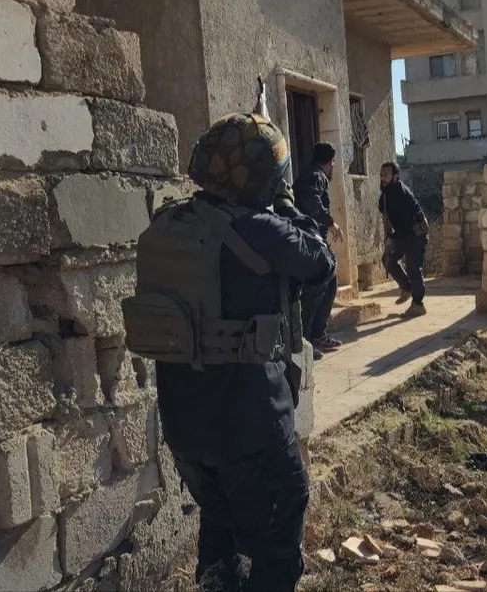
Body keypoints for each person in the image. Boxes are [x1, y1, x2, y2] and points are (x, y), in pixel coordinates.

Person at [124, 112, 335, 592]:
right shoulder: (260, 229)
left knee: (220, 526)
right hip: (252, 425)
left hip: (185, 428)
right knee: (278, 544)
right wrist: (289, 207)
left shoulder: (170, 224)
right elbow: (321, 264)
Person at [292, 142, 343, 357]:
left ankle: (316, 334)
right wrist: (331, 223)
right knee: (317, 288)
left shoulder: (310, 175)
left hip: (310, 238)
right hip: (310, 240)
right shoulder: (317, 176)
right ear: (330, 161)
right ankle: (306, 339)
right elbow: (311, 202)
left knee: (328, 282)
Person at [379, 161, 429, 318]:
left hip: (415, 234)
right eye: (381, 175)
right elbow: (385, 217)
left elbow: (407, 225)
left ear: (395, 177)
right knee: (388, 260)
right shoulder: (385, 195)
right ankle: (406, 289)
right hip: (402, 234)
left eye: (386, 175)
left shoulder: (404, 194)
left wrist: (392, 239)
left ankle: (418, 304)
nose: (382, 178)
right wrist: (388, 239)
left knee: (413, 268)